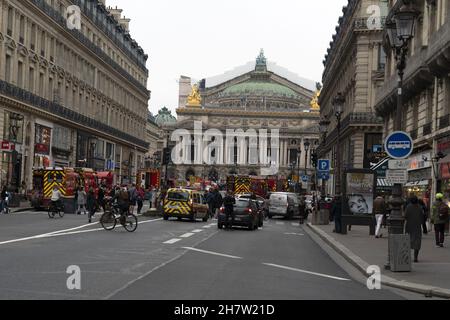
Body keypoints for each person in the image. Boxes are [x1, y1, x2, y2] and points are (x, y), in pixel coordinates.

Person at [405, 196, 423, 263]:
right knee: (417, 242)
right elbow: (422, 216)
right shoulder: (420, 207)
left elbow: (405, 216)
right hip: (417, 226)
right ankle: (415, 257)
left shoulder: (408, 207)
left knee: (408, 241)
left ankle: (407, 256)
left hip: (409, 225)